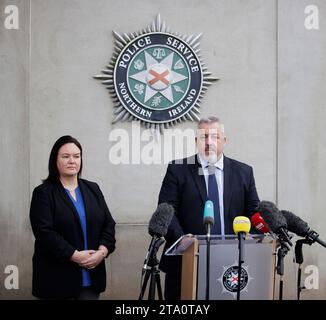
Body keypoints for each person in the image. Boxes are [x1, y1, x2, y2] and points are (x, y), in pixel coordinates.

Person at [158, 116, 260, 300]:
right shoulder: (178, 169)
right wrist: (181, 239)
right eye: (203, 137)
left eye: (215, 136)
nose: (209, 142)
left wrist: (250, 236)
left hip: (231, 263)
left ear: (224, 140)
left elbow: (253, 212)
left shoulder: (244, 172)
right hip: (186, 262)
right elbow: (166, 210)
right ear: (196, 141)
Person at [30, 135, 116, 299]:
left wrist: (102, 252)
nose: (72, 161)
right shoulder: (43, 193)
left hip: (91, 279)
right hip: (56, 281)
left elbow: (108, 224)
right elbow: (44, 232)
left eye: (76, 156)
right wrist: (75, 255)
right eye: (66, 156)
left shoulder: (93, 188)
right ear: (55, 160)